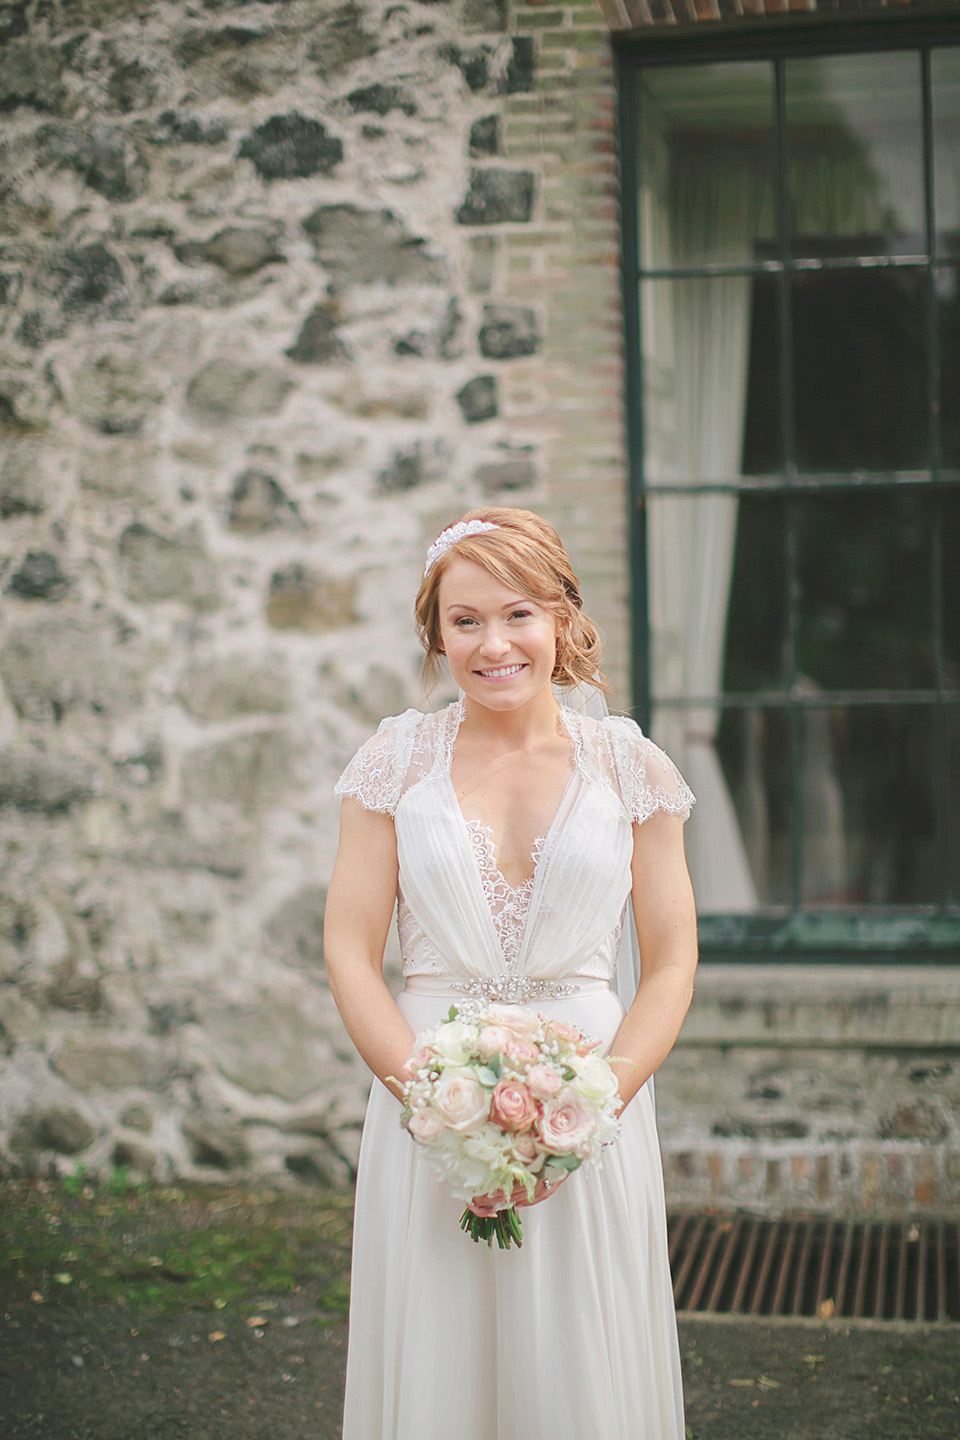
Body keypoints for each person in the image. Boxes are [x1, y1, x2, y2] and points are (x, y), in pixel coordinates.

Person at [324, 507, 698, 1440]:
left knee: (578, 1358)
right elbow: (348, 949)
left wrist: (596, 1100)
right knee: (441, 1355)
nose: (494, 643)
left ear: (564, 618)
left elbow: (672, 958)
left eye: (519, 613)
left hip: (592, 1114)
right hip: (426, 1107)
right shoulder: (394, 762)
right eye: (465, 620)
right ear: (436, 633)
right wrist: (429, 1098)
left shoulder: (630, 765)